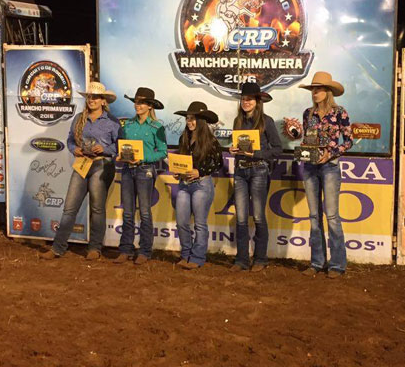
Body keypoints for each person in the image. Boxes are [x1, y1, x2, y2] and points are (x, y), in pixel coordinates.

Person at [41, 82, 120, 260]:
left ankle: (94, 248)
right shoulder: (79, 119)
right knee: (70, 207)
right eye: (89, 97)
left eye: (96, 97)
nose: (91, 100)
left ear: (103, 101)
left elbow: (120, 146)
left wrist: (106, 150)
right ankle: (58, 247)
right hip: (82, 163)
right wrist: (73, 149)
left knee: (97, 208)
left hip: (101, 164)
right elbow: (70, 140)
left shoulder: (113, 122)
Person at [298, 72, 353, 278]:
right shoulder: (307, 114)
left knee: (331, 216)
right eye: (313, 89)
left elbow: (348, 141)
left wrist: (331, 152)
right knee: (314, 216)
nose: (314, 92)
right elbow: (308, 139)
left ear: (327, 92)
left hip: (330, 166)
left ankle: (337, 264)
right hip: (311, 166)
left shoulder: (340, 112)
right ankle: (317, 262)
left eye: (318, 89)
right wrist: (304, 148)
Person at [229, 83, 282, 272]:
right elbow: (237, 144)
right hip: (241, 171)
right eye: (244, 99)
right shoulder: (237, 121)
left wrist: (256, 153)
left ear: (258, 101)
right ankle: (241, 259)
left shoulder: (267, 121)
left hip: (259, 170)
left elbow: (277, 149)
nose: (246, 102)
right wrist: (232, 149)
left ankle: (260, 258)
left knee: (258, 216)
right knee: (241, 217)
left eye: (250, 99)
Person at [114, 88, 167, 265]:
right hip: (128, 169)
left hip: (145, 170)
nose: (138, 105)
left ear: (150, 106)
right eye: (136, 102)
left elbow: (162, 152)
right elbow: (121, 146)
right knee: (128, 212)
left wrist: (143, 157)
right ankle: (126, 249)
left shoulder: (157, 127)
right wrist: (120, 155)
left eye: (142, 102)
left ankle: (145, 250)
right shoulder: (127, 125)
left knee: (144, 212)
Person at [173, 101, 223, 269]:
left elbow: (218, 163)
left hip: (202, 184)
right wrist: (177, 170)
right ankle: (185, 254)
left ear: (201, 121)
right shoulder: (184, 138)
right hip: (184, 184)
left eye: (193, 118)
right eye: (188, 118)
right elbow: (181, 160)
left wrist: (200, 172)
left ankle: (197, 257)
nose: (190, 122)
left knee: (200, 223)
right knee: (181, 222)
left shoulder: (211, 140)